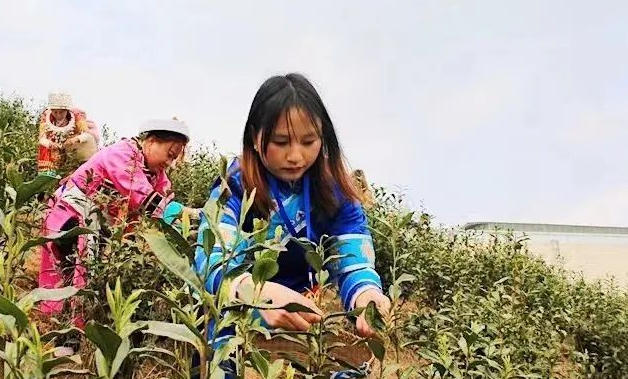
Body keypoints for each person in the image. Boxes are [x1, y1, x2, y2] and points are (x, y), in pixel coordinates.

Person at [193, 73, 390, 341]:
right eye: (281, 142)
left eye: (309, 142)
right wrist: (255, 292)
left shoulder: (336, 193)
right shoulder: (235, 187)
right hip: (239, 311)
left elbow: (354, 262)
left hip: (301, 315)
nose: (296, 156)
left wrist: (367, 295)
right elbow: (212, 261)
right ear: (254, 137)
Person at [38, 118, 195, 321]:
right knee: (67, 269)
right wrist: (188, 213)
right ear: (152, 141)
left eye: (174, 159)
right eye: (170, 154)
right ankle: (58, 325)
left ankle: (78, 324)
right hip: (70, 214)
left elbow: (155, 214)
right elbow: (145, 199)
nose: (169, 162)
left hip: (100, 226)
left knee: (89, 273)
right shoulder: (122, 153)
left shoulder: (159, 178)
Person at [37, 92, 100, 177]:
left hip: (75, 146)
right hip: (56, 147)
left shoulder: (76, 115)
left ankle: (86, 170)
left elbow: (87, 135)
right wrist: (50, 144)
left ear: (67, 111)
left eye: (61, 112)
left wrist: (74, 140)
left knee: (87, 142)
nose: (58, 115)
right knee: (44, 147)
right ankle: (48, 176)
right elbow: (42, 138)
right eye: (55, 112)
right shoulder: (46, 117)